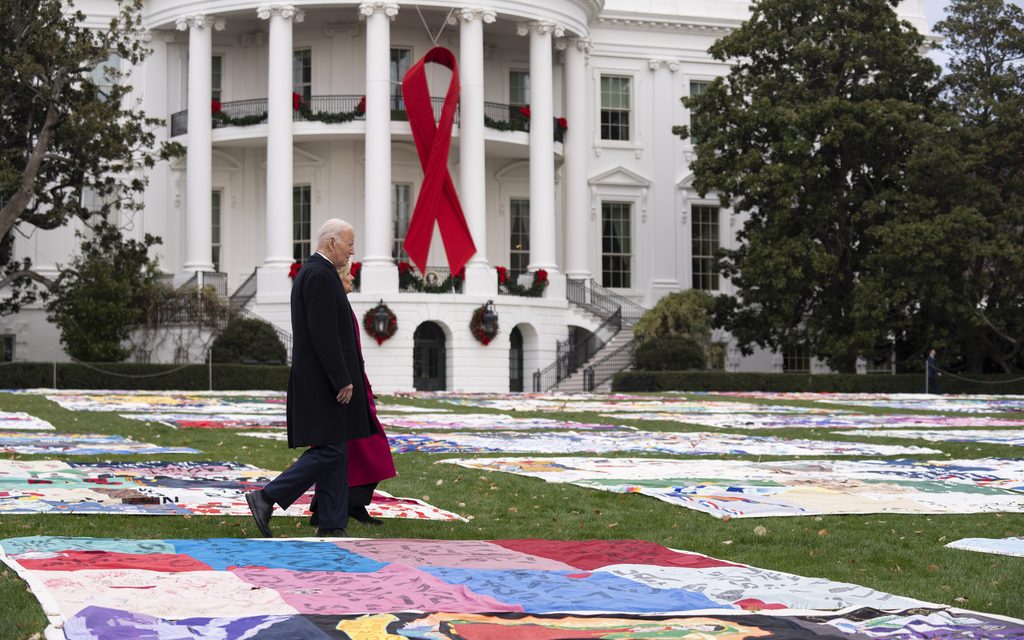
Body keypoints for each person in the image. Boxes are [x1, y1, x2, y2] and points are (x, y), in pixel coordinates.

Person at [244, 219, 376, 537]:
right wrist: (341, 378)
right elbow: (324, 333)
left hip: (321, 378)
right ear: (332, 243)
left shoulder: (319, 273)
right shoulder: (319, 275)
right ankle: (266, 497)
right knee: (330, 449)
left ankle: (332, 524)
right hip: (322, 381)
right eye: (349, 243)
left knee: (337, 448)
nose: (353, 251)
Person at [309, 259, 396, 528]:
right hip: (345, 391)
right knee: (366, 450)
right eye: (348, 276)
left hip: (355, 387)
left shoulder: (344, 306)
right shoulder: (337, 305)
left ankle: (342, 505)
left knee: (360, 452)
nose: (352, 280)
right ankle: (338, 506)